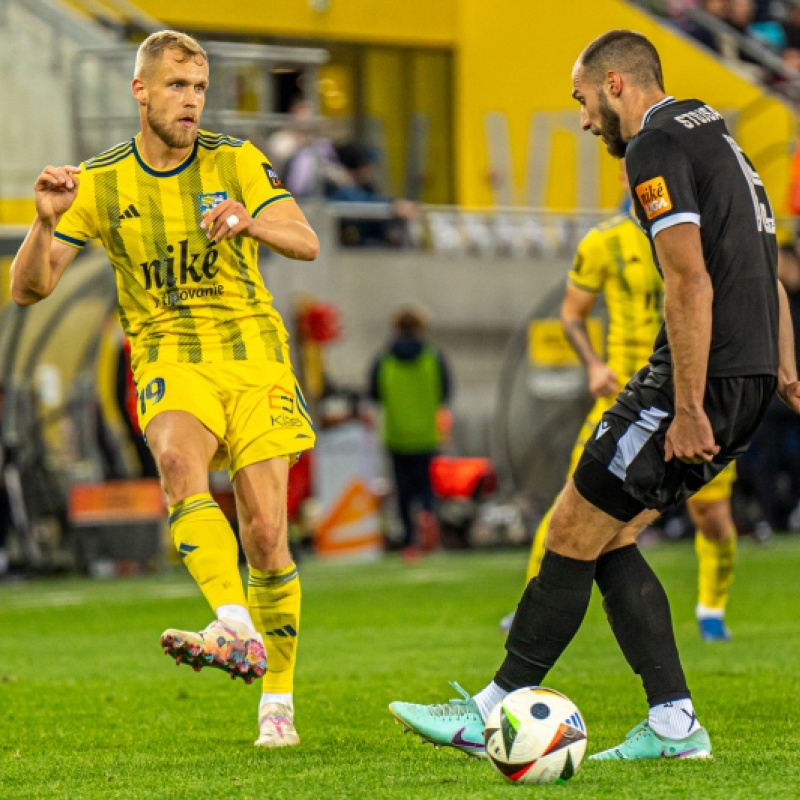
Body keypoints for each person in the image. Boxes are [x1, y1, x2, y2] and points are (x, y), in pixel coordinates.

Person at [389, 29, 800, 761]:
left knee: (570, 529)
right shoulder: (718, 135)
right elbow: (765, 264)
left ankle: (486, 715)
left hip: (694, 379)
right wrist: (785, 368)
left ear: (616, 85)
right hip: (751, 370)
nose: (582, 119)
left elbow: (688, 280)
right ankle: (674, 724)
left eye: (581, 99)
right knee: (611, 534)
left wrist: (690, 404)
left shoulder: (653, 144)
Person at [10, 30, 319, 748]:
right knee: (179, 463)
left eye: (201, 88)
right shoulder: (100, 181)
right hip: (168, 354)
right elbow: (31, 289)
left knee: (267, 535)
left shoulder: (236, 160)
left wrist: (251, 222)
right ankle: (234, 625)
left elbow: (305, 239)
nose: (192, 101)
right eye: (178, 86)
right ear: (140, 91)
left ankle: (277, 695)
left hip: (254, 357)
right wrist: (43, 222)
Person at [500, 168, 738, 644]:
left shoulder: (697, 236)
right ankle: (532, 598)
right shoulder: (603, 241)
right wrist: (592, 364)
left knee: (711, 516)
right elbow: (571, 315)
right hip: (624, 398)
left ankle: (712, 609)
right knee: (572, 499)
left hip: (694, 394)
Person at [368, 306, 451, 561]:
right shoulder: (434, 358)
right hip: (427, 433)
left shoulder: (383, 360)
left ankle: (409, 542)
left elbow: (374, 394)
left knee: (403, 489)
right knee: (426, 485)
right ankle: (427, 516)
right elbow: (445, 393)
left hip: (396, 434)